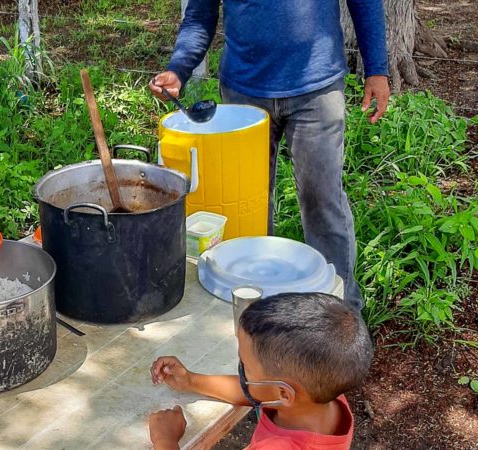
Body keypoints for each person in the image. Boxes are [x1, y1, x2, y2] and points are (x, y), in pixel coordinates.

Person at [150, 1, 391, 311]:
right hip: (244, 94)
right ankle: (257, 316)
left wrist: (377, 69)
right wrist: (179, 68)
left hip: (317, 88)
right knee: (249, 204)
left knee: (323, 198)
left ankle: (342, 314)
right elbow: (200, 14)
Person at [148, 293, 373, 449]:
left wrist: (165, 440)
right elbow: (258, 391)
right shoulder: (324, 396)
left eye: (245, 366)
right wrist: (191, 381)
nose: (242, 373)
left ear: (284, 394)